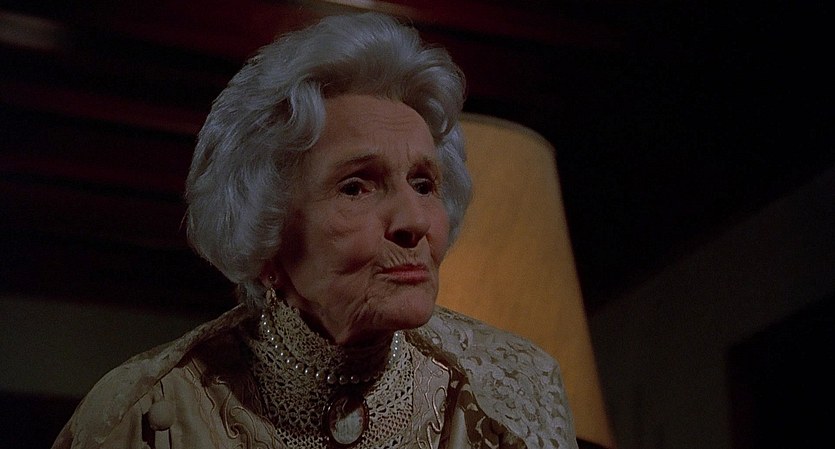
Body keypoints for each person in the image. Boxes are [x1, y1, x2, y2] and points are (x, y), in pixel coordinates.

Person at [51, 12, 578, 449]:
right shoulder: (144, 417)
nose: (415, 222)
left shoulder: (514, 403)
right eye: (356, 187)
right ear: (264, 228)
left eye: (423, 184)